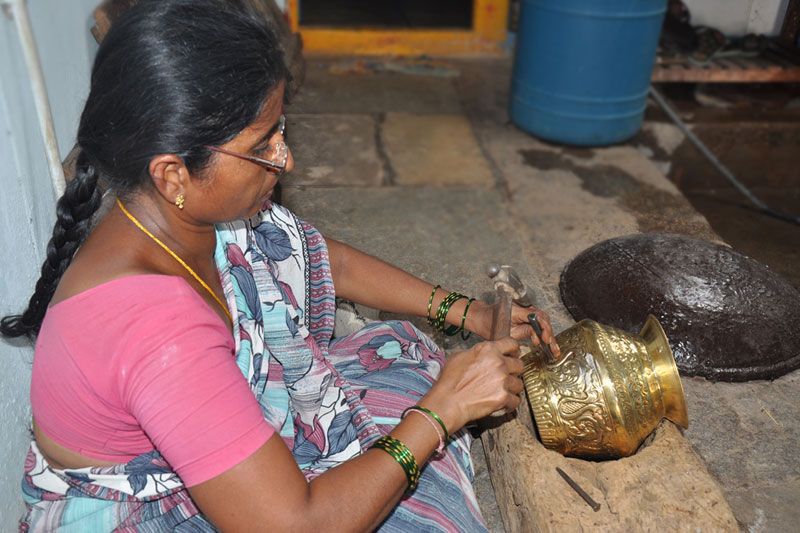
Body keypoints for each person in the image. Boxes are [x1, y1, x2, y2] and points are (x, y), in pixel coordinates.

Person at [1, 1, 559, 530]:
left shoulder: (185, 217)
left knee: (409, 364)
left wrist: (470, 315)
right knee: (425, 442)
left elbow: (323, 259)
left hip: (228, 467)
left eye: (281, 132)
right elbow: (295, 525)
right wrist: (441, 413)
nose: (285, 159)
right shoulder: (155, 328)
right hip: (156, 515)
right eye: (263, 145)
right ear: (173, 174)